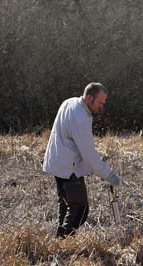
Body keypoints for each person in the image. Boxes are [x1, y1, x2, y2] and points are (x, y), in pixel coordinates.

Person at [42, 82, 122, 238]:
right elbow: (89, 154)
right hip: (68, 167)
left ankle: (59, 242)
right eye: (99, 102)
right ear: (90, 98)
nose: (101, 106)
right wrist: (109, 175)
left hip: (58, 163)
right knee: (80, 209)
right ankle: (64, 241)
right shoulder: (80, 118)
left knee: (67, 207)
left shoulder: (70, 102)